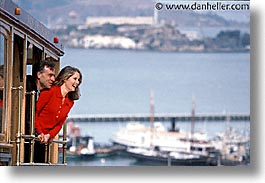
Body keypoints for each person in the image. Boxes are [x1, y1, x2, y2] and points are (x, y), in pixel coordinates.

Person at [34, 66, 82, 163]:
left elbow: (60, 124)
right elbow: (35, 113)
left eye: (79, 80)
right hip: (34, 136)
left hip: (46, 141)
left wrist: (49, 135)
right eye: (75, 79)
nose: (77, 82)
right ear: (65, 78)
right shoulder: (50, 91)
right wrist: (39, 132)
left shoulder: (70, 102)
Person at [24, 60, 56, 163]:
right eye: (50, 75)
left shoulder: (44, 93)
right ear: (39, 74)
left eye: (53, 76)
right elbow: (28, 114)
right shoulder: (28, 88)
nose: (53, 79)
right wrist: (38, 133)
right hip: (27, 142)